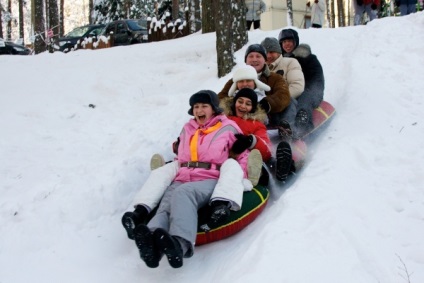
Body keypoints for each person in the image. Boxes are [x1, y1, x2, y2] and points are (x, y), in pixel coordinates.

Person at [125, 90, 250, 269]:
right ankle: (152, 244)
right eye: (196, 107)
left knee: (184, 193)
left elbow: (242, 155)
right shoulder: (188, 128)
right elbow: (181, 155)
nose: (199, 110)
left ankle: (180, 244)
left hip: (210, 177)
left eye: (204, 106)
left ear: (213, 109)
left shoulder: (227, 127)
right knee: (165, 206)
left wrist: (243, 178)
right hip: (183, 175)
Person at [278, 28, 325, 137]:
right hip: (291, 91)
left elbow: (317, 77)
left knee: (304, 100)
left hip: (310, 90)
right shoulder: (281, 61)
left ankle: (301, 126)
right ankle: (284, 128)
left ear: (295, 42)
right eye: (284, 42)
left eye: (289, 41)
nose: (287, 44)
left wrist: (312, 90)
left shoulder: (307, 57)